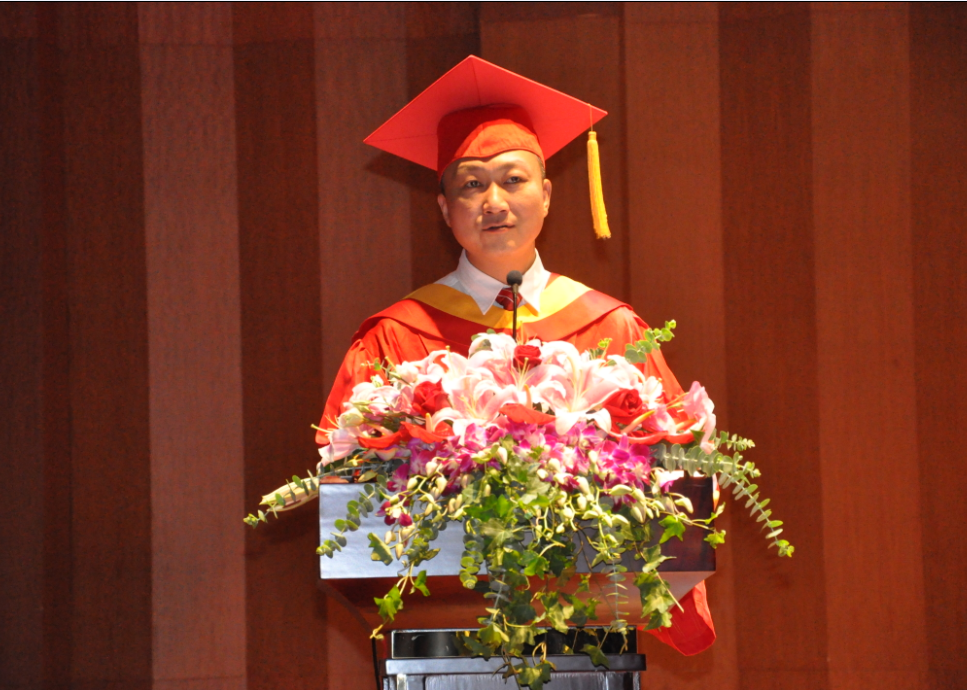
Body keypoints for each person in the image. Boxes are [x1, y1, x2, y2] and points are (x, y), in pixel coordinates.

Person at [316, 56, 715, 656]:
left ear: (547, 195)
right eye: (471, 185)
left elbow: (683, 471)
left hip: (590, 636)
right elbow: (346, 479)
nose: (494, 201)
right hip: (440, 637)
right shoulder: (396, 336)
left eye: (513, 179)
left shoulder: (610, 327)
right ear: (444, 209)